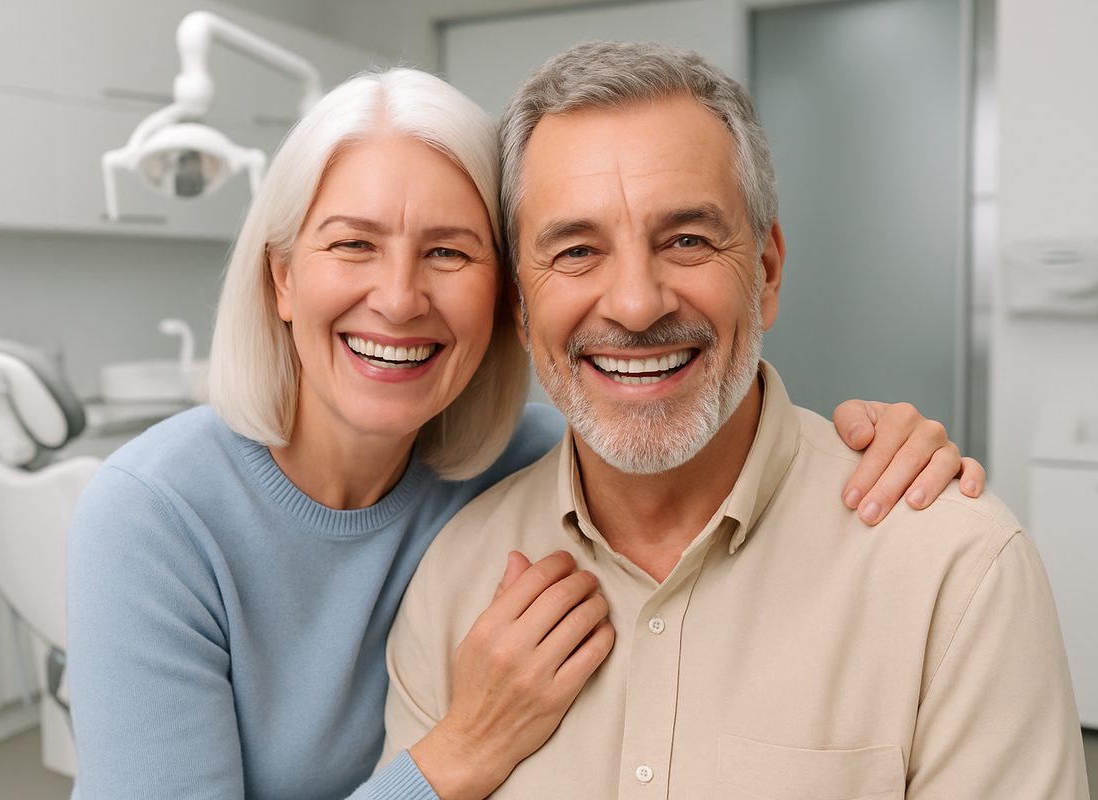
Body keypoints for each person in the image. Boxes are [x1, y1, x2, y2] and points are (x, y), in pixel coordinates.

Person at [68, 67, 985, 800]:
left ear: (506, 294)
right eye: (352, 244)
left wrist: (870, 445)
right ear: (279, 280)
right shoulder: (154, 515)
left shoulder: (531, 461)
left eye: (449, 250)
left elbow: (681, 399)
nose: (397, 296)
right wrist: (454, 758)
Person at [381, 42, 1089, 799]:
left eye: (686, 240)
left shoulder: (955, 573)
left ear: (768, 271)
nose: (636, 303)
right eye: (578, 250)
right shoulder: (455, 580)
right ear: (520, 309)